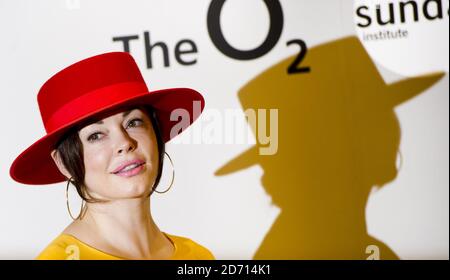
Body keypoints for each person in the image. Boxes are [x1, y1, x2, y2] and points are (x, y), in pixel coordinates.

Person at [9, 52, 214, 260]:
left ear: (156, 133)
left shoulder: (198, 256)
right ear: (64, 163)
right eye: (96, 135)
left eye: (133, 122)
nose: (125, 143)